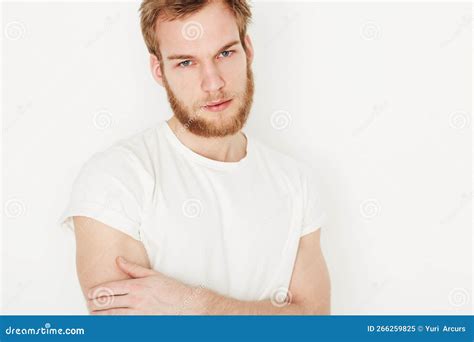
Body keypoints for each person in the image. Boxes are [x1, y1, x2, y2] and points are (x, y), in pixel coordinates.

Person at [59, 0, 331, 315]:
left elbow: (315, 321)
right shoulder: (116, 178)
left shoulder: (296, 181)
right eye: (186, 62)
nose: (213, 82)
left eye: (225, 53)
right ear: (159, 71)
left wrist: (194, 304)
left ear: (248, 49)